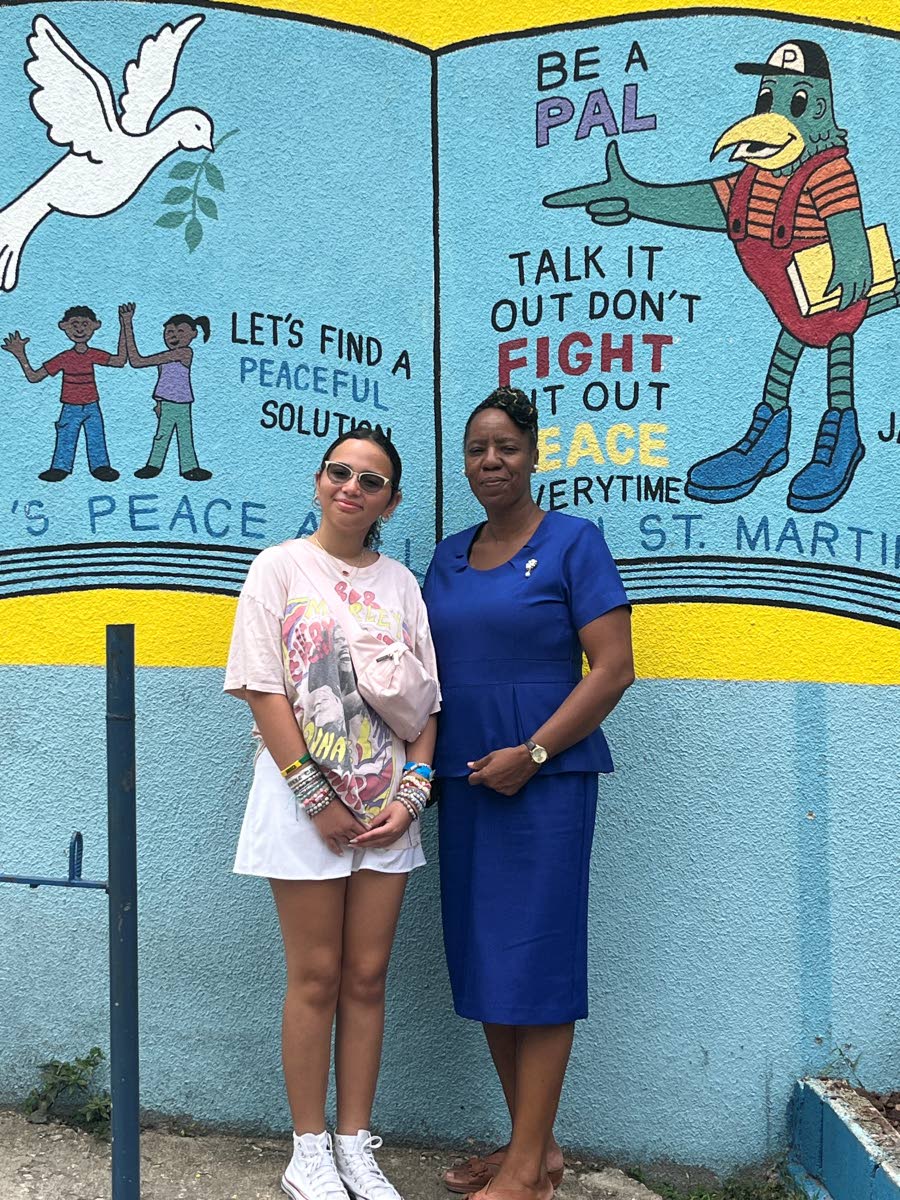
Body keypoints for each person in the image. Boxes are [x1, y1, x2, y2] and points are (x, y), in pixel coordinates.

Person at [423, 387, 634, 1200]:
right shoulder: (445, 557)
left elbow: (613, 670)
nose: (490, 461)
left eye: (506, 446)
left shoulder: (576, 544)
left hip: (544, 786)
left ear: (536, 453)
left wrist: (535, 751)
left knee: (536, 969)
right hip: (467, 786)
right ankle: (533, 1152)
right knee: (488, 967)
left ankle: (526, 1175)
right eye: (477, 448)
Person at [225, 429, 440, 1200]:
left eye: (371, 480)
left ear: (391, 499)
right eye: (340, 473)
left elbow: (425, 702)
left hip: (388, 810)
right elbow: (262, 686)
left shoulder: (402, 586)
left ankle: (355, 1142)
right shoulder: (280, 567)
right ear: (320, 481)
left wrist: (414, 791)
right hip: (302, 807)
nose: (352, 487)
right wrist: (314, 798)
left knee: (368, 976)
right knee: (314, 975)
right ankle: (307, 1147)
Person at [2, 305, 125, 481]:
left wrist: (124, 324)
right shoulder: (64, 358)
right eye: (74, 324)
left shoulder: (93, 354)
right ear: (64, 326)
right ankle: (60, 467)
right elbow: (34, 376)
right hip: (70, 406)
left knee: (96, 435)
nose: (80, 329)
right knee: (66, 436)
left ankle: (100, 467)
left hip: (92, 405)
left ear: (95, 326)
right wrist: (20, 354)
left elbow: (119, 361)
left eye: (85, 324)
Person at [118, 302, 213, 481]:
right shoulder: (168, 358)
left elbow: (138, 361)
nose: (173, 336)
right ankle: (154, 465)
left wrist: (127, 323)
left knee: (185, 436)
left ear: (193, 334)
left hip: (183, 403)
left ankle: (189, 467)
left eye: (180, 332)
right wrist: (159, 402)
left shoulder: (184, 353)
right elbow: (164, 380)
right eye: (169, 332)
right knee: (162, 435)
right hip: (168, 403)